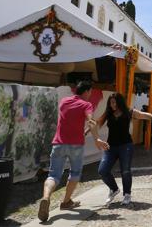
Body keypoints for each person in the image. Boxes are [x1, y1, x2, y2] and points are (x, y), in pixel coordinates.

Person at [38, 81, 108, 223]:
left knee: (54, 175)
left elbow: (68, 120)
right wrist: (97, 139)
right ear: (87, 91)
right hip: (76, 145)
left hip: (59, 143)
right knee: (75, 173)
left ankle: (46, 197)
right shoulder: (86, 105)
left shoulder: (64, 101)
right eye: (90, 92)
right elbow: (91, 122)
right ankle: (66, 201)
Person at [96, 93, 152, 206]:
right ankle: (114, 189)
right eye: (110, 103)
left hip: (125, 145)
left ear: (119, 102)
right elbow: (96, 124)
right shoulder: (108, 113)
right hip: (111, 147)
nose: (112, 105)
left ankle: (127, 194)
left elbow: (146, 115)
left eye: (114, 102)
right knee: (102, 170)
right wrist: (84, 133)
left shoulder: (129, 112)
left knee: (125, 170)